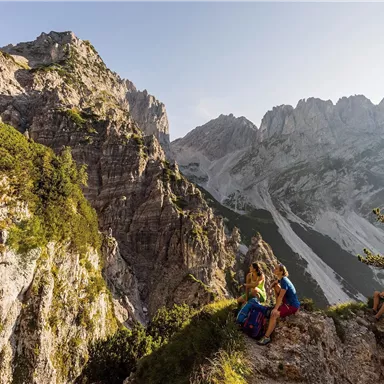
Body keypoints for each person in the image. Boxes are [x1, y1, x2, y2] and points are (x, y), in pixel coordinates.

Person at [258, 264, 300, 345]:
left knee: (274, 314)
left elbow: (281, 296)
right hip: (287, 301)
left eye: (276, 269)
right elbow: (275, 282)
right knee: (276, 286)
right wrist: (270, 288)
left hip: (292, 305)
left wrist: (276, 309)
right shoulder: (282, 279)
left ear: (281, 272)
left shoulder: (284, 282)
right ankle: (278, 305)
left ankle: (266, 337)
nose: (274, 269)